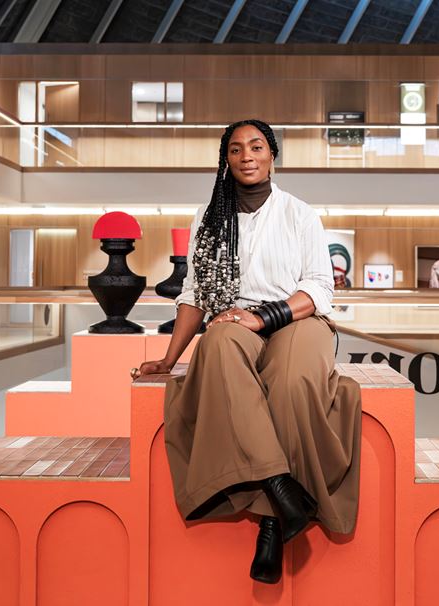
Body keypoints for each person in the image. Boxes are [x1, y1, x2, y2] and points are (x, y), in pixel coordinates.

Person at [135, 119, 362, 585]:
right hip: (234, 319)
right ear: (227, 160)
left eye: (256, 146)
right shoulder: (209, 218)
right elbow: (196, 294)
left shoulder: (300, 214)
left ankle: (272, 522)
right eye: (236, 149)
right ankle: (283, 491)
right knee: (217, 345)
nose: (246, 156)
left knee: (292, 380)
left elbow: (319, 288)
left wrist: (263, 317)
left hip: (297, 318)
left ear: (272, 155)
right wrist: (169, 358)